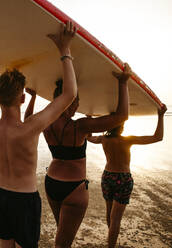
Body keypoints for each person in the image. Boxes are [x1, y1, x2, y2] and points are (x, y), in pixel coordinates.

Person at [0, 20, 78, 248]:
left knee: (6, 245)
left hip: (0, 194)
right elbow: (70, 94)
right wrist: (65, 50)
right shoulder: (29, 128)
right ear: (23, 99)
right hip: (24, 199)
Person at [25, 63, 131, 247]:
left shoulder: (45, 123)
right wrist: (123, 83)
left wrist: (32, 98)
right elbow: (121, 116)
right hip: (74, 189)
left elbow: (27, 120)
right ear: (67, 100)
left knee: (63, 233)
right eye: (76, 101)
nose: (78, 105)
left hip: (51, 183)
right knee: (62, 243)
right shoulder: (80, 126)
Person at [87, 104, 167, 248]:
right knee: (116, 218)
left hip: (107, 177)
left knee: (109, 214)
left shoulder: (103, 139)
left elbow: (88, 137)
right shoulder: (127, 140)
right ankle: (111, 245)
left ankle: (111, 241)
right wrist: (160, 116)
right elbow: (158, 137)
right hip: (123, 179)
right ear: (121, 126)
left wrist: (89, 119)